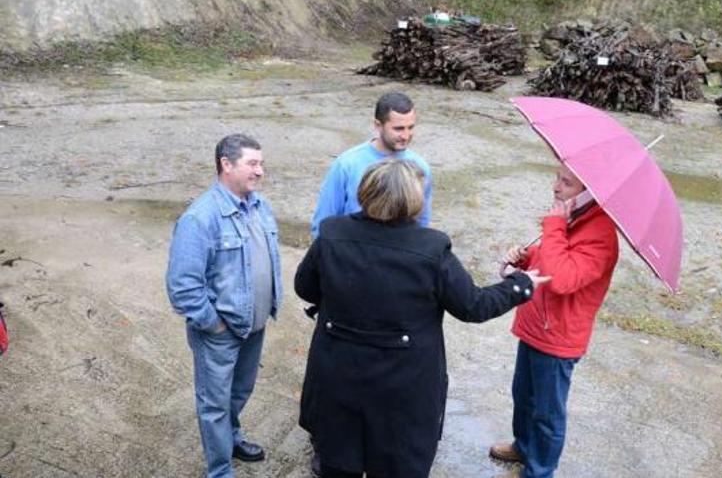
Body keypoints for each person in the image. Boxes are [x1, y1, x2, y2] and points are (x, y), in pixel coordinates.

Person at [295, 159, 549, 478]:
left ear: (367, 191)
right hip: (402, 390)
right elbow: (473, 306)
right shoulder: (431, 248)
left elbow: (304, 286)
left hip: (337, 379)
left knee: (337, 464)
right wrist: (520, 285)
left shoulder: (333, 233)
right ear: (413, 200)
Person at [489, 163, 619, 478]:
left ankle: (539, 470)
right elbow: (551, 261)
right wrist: (527, 257)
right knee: (523, 394)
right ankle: (523, 446)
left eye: (566, 182)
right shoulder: (571, 216)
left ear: (587, 191)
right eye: (557, 177)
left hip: (559, 336)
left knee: (548, 413)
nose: (555, 186)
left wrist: (554, 225)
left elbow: (561, 279)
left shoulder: (600, 234)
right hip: (535, 325)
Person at [166, 134, 284, 478]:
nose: (260, 171)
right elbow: (183, 286)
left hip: (254, 325)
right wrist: (213, 324)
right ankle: (219, 471)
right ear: (226, 165)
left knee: (239, 392)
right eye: (252, 163)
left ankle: (231, 438)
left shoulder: (260, 206)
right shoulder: (200, 218)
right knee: (214, 404)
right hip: (221, 332)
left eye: (261, 163)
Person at [310, 91, 432, 238]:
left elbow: (421, 223)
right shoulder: (347, 165)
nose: (406, 136)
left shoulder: (420, 167)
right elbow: (323, 222)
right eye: (398, 129)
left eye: (410, 127)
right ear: (378, 125)